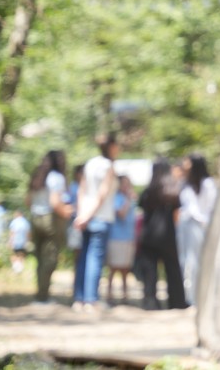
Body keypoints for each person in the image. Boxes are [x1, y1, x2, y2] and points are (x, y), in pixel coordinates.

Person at [72, 133, 120, 311]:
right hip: (100, 217)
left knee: (84, 256)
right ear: (111, 146)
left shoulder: (90, 164)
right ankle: (91, 299)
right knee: (94, 258)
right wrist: (89, 215)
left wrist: (81, 215)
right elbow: (102, 194)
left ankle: (79, 298)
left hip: (85, 216)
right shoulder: (108, 166)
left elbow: (81, 190)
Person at [135, 158, 187, 310]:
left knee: (150, 271)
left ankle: (150, 302)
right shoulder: (173, 191)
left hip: (149, 235)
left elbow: (141, 211)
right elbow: (177, 214)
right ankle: (177, 302)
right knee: (173, 270)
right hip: (167, 235)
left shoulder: (148, 191)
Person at [26, 149, 72, 303]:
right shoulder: (56, 178)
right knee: (50, 259)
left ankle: (40, 294)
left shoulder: (37, 176)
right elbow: (55, 202)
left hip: (35, 218)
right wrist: (67, 212)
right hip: (50, 220)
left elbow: (28, 201)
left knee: (39, 259)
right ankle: (43, 296)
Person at [178, 154, 218, 306]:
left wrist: (203, 222)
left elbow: (210, 207)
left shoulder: (208, 184)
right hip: (187, 225)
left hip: (201, 226)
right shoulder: (186, 184)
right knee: (187, 261)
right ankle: (191, 297)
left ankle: (202, 296)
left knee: (199, 260)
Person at [106, 175, 138, 304]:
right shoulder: (116, 198)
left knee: (126, 268)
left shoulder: (131, 199)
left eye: (128, 184)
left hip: (129, 237)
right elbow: (122, 214)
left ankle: (125, 296)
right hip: (116, 237)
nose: (126, 186)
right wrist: (128, 201)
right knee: (113, 268)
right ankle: (109, 295)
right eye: (123, 184)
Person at [8, 209, 31, 274]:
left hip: (15, 241)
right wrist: (28, 241)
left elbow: (12, 232)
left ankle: (15, 268)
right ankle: (20, 268)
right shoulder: (25, 222)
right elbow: (28, 233)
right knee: (22, 255)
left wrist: (10, 241)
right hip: (23, 241)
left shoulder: (14, 221)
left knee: (14, 254)